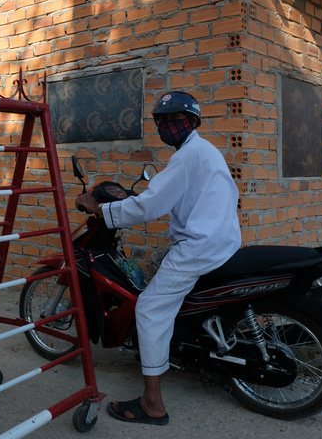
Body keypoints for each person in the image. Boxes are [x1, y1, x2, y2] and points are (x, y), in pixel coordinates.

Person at [75, 91, 241, 426]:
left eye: (176, 119)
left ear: (192, 121)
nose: (169, 126)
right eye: (162, 121)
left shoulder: (187, 157)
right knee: (155, 265)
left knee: (149, 308)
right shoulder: (204, 151)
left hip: (198, 247)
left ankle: (152, 404)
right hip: (222, 241)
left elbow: (150, 205)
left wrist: (101, 207)